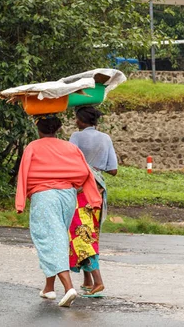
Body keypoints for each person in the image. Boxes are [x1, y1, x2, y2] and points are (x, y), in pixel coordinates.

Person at [15, 114, 101, 307]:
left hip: (45, 197)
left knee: (49, 238)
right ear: (58, 129)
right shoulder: (71, 148)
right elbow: (86, 173)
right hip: (68, 196)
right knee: (58, 236)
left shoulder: (33, 147)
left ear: (39, 129)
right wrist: (93, 199)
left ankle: (69, 287)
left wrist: (20, 202)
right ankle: (48, 287)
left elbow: (23, 173)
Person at [67, 106, 118, 296]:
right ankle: (87, 280)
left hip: (82, 190)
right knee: (91, 233)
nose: (75, 122)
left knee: (80, 233)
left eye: (76, 119)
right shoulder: (106, 138)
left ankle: (98, 281)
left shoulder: (76, 137)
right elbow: (113, 170)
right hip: (98, 190)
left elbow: (69, 162)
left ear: (81, 120)